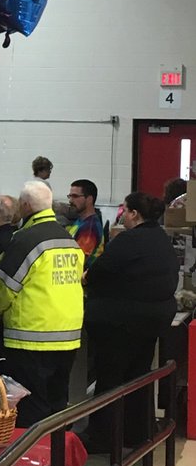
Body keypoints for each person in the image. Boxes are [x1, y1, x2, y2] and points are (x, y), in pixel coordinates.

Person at [83, 192, 179, 451]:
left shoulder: (129, 240)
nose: (122, 215)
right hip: (152, 321)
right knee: (139, 376)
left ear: (134, 213)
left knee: (110, 379)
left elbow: (97, 273)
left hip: (119, 322)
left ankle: (103, 437)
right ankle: (137, 432)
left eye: (125, 211)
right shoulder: (160, 238)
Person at [0, 180, 84, 426]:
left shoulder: (26, 240)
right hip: (67, 336)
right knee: (58, 405)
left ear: (24, 205)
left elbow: (2, 288)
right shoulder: (68, 239)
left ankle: (34, 460)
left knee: (31, 409)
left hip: (31, 338)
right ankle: (60, 456)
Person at [67, 178, 104, 270]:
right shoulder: (81, 221)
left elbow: (77, 261)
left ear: (89, 199)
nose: (70, 201)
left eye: (75, 196)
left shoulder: (89, 228)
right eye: (70, 196)